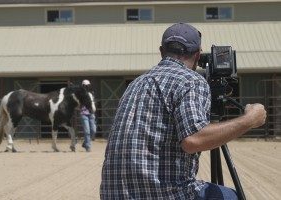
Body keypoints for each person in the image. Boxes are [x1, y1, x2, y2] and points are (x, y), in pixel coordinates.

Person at [100, 22, 267, 199]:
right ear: (197, 55)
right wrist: (249, 120)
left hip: (113, 193)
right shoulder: (191, 80)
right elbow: (193, 140)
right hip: (163, 195)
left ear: (161, 51)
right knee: (231, 197)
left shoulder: (136, 83)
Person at [80, 79, 96, 152]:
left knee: (93, 130)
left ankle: (85, 143)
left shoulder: (91, 93)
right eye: (85, 85)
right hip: (84, 114)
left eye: (87, 85)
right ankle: (88, 147)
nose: (86, 87)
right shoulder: (80, 94)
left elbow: (93, 103)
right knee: (87, 131)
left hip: (91, 113)